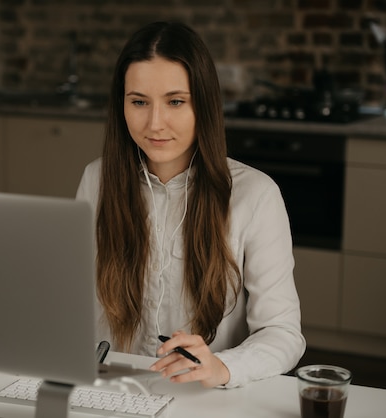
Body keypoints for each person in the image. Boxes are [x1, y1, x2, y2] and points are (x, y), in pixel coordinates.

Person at [75, 21, 306, 388]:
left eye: (175, 102)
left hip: (203, 400)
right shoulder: (96, 181)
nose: (155, 123)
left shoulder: (257, 196)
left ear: (204, 104)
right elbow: (74, 301)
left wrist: (222, 367)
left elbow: (282, 333)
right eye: (138, 102)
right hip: (108, 392)